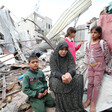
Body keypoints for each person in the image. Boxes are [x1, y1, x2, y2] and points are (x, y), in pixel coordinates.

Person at [49, 40, 86, 112]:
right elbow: (54, 71)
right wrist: (62, 76)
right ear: (58, 49)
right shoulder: (53, 57)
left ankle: (76, 104)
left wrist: (69, 74)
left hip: (68, 75)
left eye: (66, 49)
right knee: (57, 84)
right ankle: (63, 107)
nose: (64, 52)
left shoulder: (69, 55)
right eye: (62, 49)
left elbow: (72, 68)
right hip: (56, 77)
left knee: (79, 79)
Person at [83, 26, 110, 112]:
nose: (93, 34)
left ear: (99, 34)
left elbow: (107, 55)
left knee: (96, 84)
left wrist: (105, 66)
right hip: (91, 68)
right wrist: (86, 65)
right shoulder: (88, 44)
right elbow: (87, 55)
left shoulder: (102, 43)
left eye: (95, 33)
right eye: (92, 32)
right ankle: (88, 100)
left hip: (99, 68)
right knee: (90, 84)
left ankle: (93, 103)